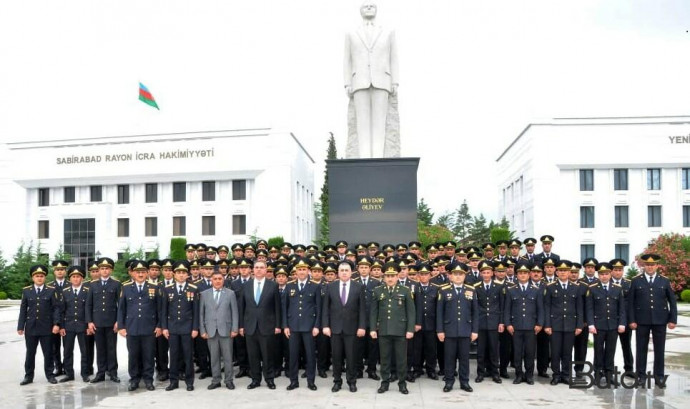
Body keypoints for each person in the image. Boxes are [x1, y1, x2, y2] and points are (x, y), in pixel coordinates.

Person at [343, 1, 399, 158]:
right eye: (366, 5)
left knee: (380, 122)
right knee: (362, 122)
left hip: (382, 80)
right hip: (359, 82)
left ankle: (379, 157)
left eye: (372, 5)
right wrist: (347, 82)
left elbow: (393, 57)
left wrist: (395, 81)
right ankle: (364, 157)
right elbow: (346, 59)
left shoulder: (388, 31)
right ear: (360, 9)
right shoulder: (351, 33)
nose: (369, 7)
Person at [628, 254, 677, 388]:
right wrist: (631, 320)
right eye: (647, 265)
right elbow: (630, 302)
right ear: (644, 266)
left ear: (657, 266)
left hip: (660, 320)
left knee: (659, 349)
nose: (650, 267)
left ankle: (659, 377)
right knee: (641, 349)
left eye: (652, 264)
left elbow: (672, 301)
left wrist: (673, 319)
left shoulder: (664, 281)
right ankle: (641, 377)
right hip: (641, 320)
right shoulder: (636, 280)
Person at [370, 262, 416, 395]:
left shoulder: (405, 291)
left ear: (397, 276)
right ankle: (385, 383)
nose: (390, 279)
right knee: (385, 359)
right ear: (384, 277)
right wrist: (373, 329)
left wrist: (410, 330)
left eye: (393, 276)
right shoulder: (378, 291)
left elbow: (411, 312)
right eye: (388, 276)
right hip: (384, 330)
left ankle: (402, 384)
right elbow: (373, 312)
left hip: (401, 331)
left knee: (401, 359)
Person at [322, 260, 367, 392]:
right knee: (336, 357)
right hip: (335, 329)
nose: (344, 273)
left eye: (346, 270)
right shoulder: (330, 287)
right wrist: (325, 325)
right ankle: (337, 381)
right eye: (341, 270)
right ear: (338, 273)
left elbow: (362, 309)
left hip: (352, 329)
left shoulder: (358, 287)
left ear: (351, 272)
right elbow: (326, 308)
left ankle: (352, 381)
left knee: (352, 357)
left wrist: (362, 326)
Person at [117, 260, 161, 391]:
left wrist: (159, 326)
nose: (140, 274)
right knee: (133, 355)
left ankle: (148, 380)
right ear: (133, 273)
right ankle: (134, 380)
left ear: (147, 273)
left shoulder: (154, 287)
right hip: (132, 328)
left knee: (149, 355)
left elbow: (160, 309)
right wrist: (121, 326)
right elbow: (121, 309)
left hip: (149, 328)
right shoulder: (125, 288)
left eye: (143, 272)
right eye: (138, 272)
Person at [239, 260, 282, 390]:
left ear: (266, 270)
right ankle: (255, 380)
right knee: (253, 356)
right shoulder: (246, 285)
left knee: (268, 355)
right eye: (256, 267)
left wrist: (278, 325)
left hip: (267, 326)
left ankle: (269, 379)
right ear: (253, 269)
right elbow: (242, 307)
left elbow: (277, 307)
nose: (258, 270)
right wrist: (241, 326)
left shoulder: (273, 285)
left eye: (261, 267)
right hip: (250, 326)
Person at [436, 263, 478, 392]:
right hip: (449, 330)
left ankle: (464, 382)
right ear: (450, 276)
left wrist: (475, 330)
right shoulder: (443, 290)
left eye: (461, 274)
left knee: (464, 358)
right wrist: (440, 330)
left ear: (465, 275)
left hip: (465, 330)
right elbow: (439, 312)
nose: (458, 277)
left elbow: (475, 312)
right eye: (455, 274)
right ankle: (449, 382)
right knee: (449, 358)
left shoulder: (471, 290)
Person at [17, 264, 61, 385]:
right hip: (31, 327)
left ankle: (50, 375)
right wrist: (21, 326)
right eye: (37, 276)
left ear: (45, 277)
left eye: (41, 276)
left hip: (46, 327)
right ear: (33, 278)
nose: (39, 278)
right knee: (30, 353)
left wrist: (56, 324)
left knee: (48, 353)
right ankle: (28, 376)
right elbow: (23, 310)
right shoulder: (26, 291)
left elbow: (56, 309)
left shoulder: (51, 291)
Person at [161, 261, 200, 391]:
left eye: (183, 273)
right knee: (174, 355)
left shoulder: (193, 289)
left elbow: (196, 311)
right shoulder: (167, 289)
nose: (181, 275)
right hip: (172, 328)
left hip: (188, 328)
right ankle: (173, 381)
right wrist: (165, 328)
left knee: (188, 356)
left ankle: (189, 382)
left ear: (187, 274)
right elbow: (164, 311)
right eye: (178, 272)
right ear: (174, 274)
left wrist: (195, 328)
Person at [283, 258, 321, 391]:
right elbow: (285, 308)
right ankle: (294, 381)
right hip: (293, 326)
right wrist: (285, 326)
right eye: (299, 269)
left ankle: (311, 381)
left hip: (309, 327)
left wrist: (317, 326)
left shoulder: (315, 286)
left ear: (308, 271)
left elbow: (318, 308)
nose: (302, 272)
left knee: (310, 355)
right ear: (296, 271)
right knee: (293, 355)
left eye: (304, 269)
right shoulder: (289, 286)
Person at [544, 260, 583, 385]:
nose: (563, 273)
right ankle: (556, 375)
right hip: (555, 325)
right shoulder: (550, 287)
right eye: (561, 270)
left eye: (565, 271)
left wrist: (579, 325)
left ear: (569, 272)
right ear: (557, 272)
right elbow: (547, 307)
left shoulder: (576, 288)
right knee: (555, 352)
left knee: (567, 352)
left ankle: (566, 375)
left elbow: (579, 308)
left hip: (570, 325)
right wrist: (547, 325)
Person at [504, 263, 544, 385]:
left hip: (531, 327)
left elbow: (540, 309)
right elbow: (507, 309)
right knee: (517, 352)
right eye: (520, 273)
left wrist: (540, 323)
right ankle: (518, 375)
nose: (523, 275)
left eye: (525, 273)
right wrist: (508, 324)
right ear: (516, 275)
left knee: (530, 352)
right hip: (516, 327)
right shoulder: (511, 290)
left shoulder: (536, 290)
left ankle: (529, 375)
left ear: (529, 275)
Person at [586, 262, 626, 382]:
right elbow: (589, 308)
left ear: (610, 274)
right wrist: (591, 324)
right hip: (598, 325)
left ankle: (609, 374)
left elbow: (622, 308)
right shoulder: (592, 288)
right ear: (598, 275)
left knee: (611, 350)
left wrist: (622, 323)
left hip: (613, 325)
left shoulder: (618, 289)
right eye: (602, 274)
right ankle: (598, 373)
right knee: (598, 350)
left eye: (606, 274)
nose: (604, 276)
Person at [200, 270, 239, 390]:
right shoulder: (204, 294)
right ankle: (216, 380)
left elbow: (234, 312)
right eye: (215, 279)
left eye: (219, 279)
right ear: (211, 280)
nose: (217, 281)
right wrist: (202, 330)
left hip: (226, 330)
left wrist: (235, 328)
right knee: (214, 358)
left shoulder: (230, 293)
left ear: (223, 280)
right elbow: (201, 313)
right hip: (210, 330)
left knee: (228, 357)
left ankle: (228, 380)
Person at [86, 257, 122, 383]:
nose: (104, 271)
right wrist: (89, 322)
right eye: (102, 268)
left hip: (112, 322)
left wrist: (119, 321)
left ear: (111, 270)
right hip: (97, 322)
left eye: (107, 268)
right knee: (100, 348)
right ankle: (100, 373)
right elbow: (88, 305)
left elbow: (120, 304)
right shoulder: (92, 285)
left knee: (112, 348)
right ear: (99, 270)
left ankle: (113, 372)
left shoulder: (116, 284)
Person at [474, 261, 504, 384]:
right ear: (480, 274)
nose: (486, 275)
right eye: (484, 272)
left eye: (488, 272)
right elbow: (474, 308)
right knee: (480, 351)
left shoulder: (499, 286)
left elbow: (502, 306)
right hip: (480, 323)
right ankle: (480, 373)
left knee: (494, 350)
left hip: (494, 322)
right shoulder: (476, 287)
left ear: (492, 273)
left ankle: (495, 373)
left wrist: (501, 322)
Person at [59, 266, 90, 383]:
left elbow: (89, 309)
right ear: (70, 279)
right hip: (69, 326)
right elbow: (61, 310)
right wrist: (61, 326)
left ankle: (85, 373)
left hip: (83, 326)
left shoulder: (87, 291)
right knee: (67, 351)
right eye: (73, 277)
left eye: (78, 277)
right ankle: (69, 374)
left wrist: (88, 325)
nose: (76, 279)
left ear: (82, 278)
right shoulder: (65, 292)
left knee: (85, 351)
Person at [412, 263, 439, 380]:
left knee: (431, 348)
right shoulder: (414, 288)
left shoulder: (436, 288)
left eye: (426, 274)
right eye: (421, 274)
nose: (424, 277)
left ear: (430, 275)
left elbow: (438, 308)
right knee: (417, 349)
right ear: (418, 275)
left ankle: (431, 370)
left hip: (431, 324)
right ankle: (417, 369)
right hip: (417, 324)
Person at [610, 258, 634, 376]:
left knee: (626, 345)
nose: (618, 272)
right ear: (611, 271)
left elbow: (632, 303)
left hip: (625, 320)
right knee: (610, 346)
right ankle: (608, 369)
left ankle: (629, 368)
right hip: (611, 320)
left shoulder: (629, 284)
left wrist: (631, 320)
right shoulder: (606, 283)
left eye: (620, 270)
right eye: (615, 270)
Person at [48, 260, 69, 377]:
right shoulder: (50, 286)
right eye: (57, 269)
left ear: (65, 271)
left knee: (67, 346)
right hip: (54, 321)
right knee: (54, 346)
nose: (60, 271)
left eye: (62, 269)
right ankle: (58, 367)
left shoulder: (70, 284)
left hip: (67, 320)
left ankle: (67, 367)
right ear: (54, 271)